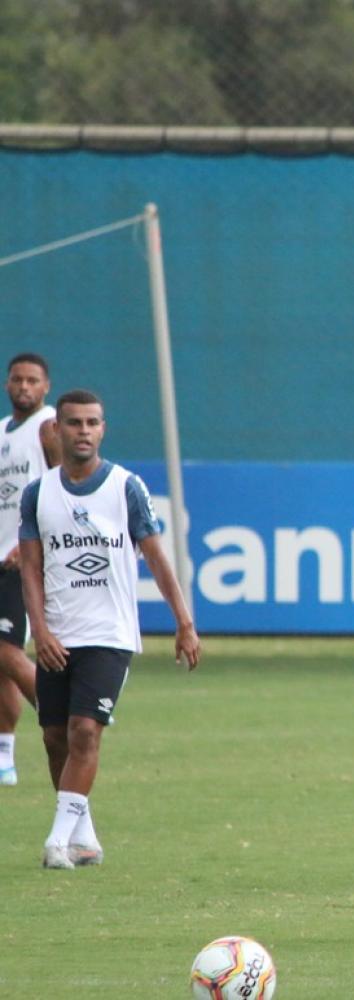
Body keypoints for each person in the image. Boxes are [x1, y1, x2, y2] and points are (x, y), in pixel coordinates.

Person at [18, 389, 200, 869]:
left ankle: (58, 840)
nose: (82, 431)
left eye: (91, 423)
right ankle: (85, 837)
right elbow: (31, 570)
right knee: (55, 737)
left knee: (84, 731)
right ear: (56, 430)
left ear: (103, 429)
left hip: (110, 633)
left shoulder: (125, 487)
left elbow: (158, 559)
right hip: (57, 634)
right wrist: (40, 629)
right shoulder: (39, 493)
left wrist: (185, 623)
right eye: (73, 423)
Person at [0, 353, 60, 785]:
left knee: (4, 649)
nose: (24, 386)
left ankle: (65, 712)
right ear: (7, 384)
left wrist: (32, 542)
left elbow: (65, 487)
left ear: (46, 387)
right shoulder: (2, 431)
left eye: (32, 380)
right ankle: (4, 755)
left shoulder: (49, 426)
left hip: (23, 561)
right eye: (17, 379)